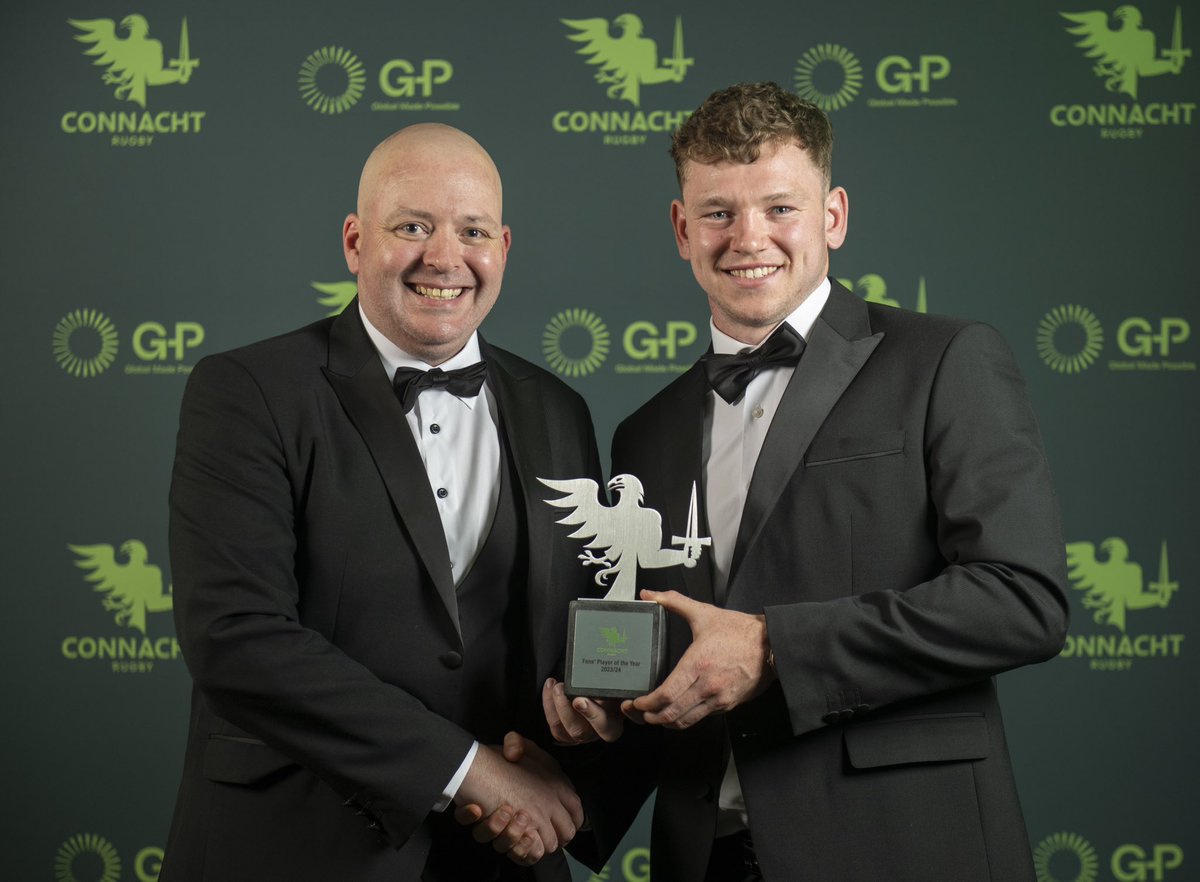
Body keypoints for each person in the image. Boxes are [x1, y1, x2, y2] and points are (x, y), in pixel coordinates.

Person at [541, 82, 1071, 882]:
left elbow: (1024, 600)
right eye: (718, 212)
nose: (748, 237)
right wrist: (603, 723)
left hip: (902, 848)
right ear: (683, 229)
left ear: (833, 218)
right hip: (706, 859)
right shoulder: (644, 432)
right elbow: (684, 659)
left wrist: (774, 646)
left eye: (779, 208)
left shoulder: (944, 360)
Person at [159, 123, 602, 882]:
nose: (444, 258)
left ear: (502, 247)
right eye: (412, 227)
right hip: (295, 849)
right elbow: (235, 637)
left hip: (503, 859)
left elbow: (573, 626)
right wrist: (468, 770)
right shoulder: (247, 392)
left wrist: (593, 715)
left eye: (471, 231)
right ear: (355, 241)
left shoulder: (559, 409)